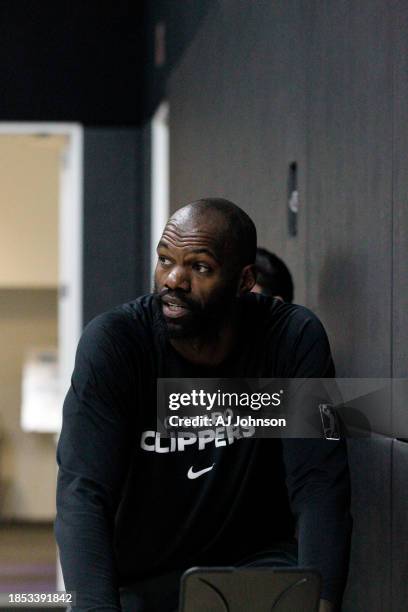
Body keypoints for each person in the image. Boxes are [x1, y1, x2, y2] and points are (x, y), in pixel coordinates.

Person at [55, 198, 352, 612]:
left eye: (200, 267)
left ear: (244, 279)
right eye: (164, 260)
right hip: (141, 575)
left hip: (253, 564)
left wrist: (322, 600)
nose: (173, 280)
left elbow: (318, 481)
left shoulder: (291, 339)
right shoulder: (116, 344)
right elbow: (83, 491)